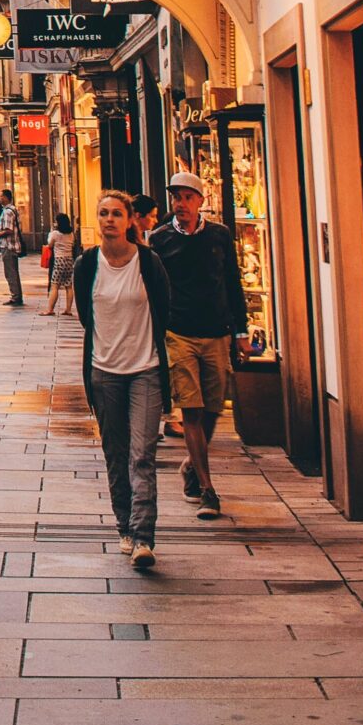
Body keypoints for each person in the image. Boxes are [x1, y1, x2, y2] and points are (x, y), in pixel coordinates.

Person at [74, 190, 171, 573]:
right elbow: (86, 315)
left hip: (145, 369)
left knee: (142, 454)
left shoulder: (149, 262)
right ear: (97, 220)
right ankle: (124, 526)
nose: (110, 219)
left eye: (117, 213)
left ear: (130, 220)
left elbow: (163, 308)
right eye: (103, 213)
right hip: (104, 372)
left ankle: (144, 536)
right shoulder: (87, 265)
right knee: (116, 452)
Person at [149, 170, 248, 522]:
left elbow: (233, 282)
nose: (180, 204)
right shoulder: (159, 240)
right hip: (179, 333)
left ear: (200, 201)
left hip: (217, 331)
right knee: (190, 409)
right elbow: (154, 289)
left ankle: (191, 464)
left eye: (187, 197)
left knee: (213, 409)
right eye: (176, 197)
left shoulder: (219, 236)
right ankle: (207, 489)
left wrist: (241, 330)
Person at [0, 189, 24, 306]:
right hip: (12, 245)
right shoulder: (13, 209)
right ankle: (17, 295)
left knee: (10, 272)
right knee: (13, 272)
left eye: (1, 196)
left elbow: (8, 229)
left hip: (8, 245)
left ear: (6, 197)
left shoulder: (7, 212)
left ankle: (15, 297)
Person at [45, 212, 76, 317]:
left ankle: (50, 309)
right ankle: (68, 309)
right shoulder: (71, 234)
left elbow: (49, 245)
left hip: (59, 261)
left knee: (55, 285)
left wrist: (51, 232)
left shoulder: (55, 234)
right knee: (68, 286)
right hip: (69, 261)